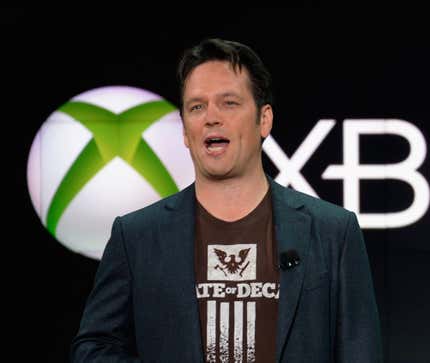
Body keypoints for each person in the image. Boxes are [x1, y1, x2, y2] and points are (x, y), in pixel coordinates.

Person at [70, 38, 383, 362]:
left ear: (264, 119)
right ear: (184, 129)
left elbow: (361, 352)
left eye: (229, 103)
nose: (211, 117)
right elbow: (94, 349)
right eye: (197, 106)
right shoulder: (136, 236)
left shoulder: (333, 232)